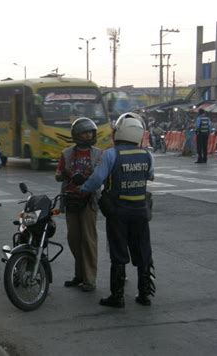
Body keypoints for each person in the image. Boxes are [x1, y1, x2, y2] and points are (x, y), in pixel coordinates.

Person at [80, 112, 156, 308]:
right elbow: (151, 176)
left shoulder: (111, 154)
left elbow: (97, 180)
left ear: (118, 132)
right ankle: (145, 294)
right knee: (143, 251)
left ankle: (118, 296)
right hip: (140, 210)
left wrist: (83, 189)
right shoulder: (147, 154)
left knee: (118, 252)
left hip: (118, 211)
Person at [55, 117, 102, 292]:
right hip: (71, 200)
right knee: (74, 239)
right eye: (85, 132)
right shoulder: (66, 153)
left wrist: (87, 179)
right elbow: (57, 174)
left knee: (88, 240)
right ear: (76, 135)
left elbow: (101, 176)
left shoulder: (98, 154)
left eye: (90, 132)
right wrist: (67, 175)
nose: (88, 135)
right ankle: (79, 274)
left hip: (89, 201)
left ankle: (90, 279)